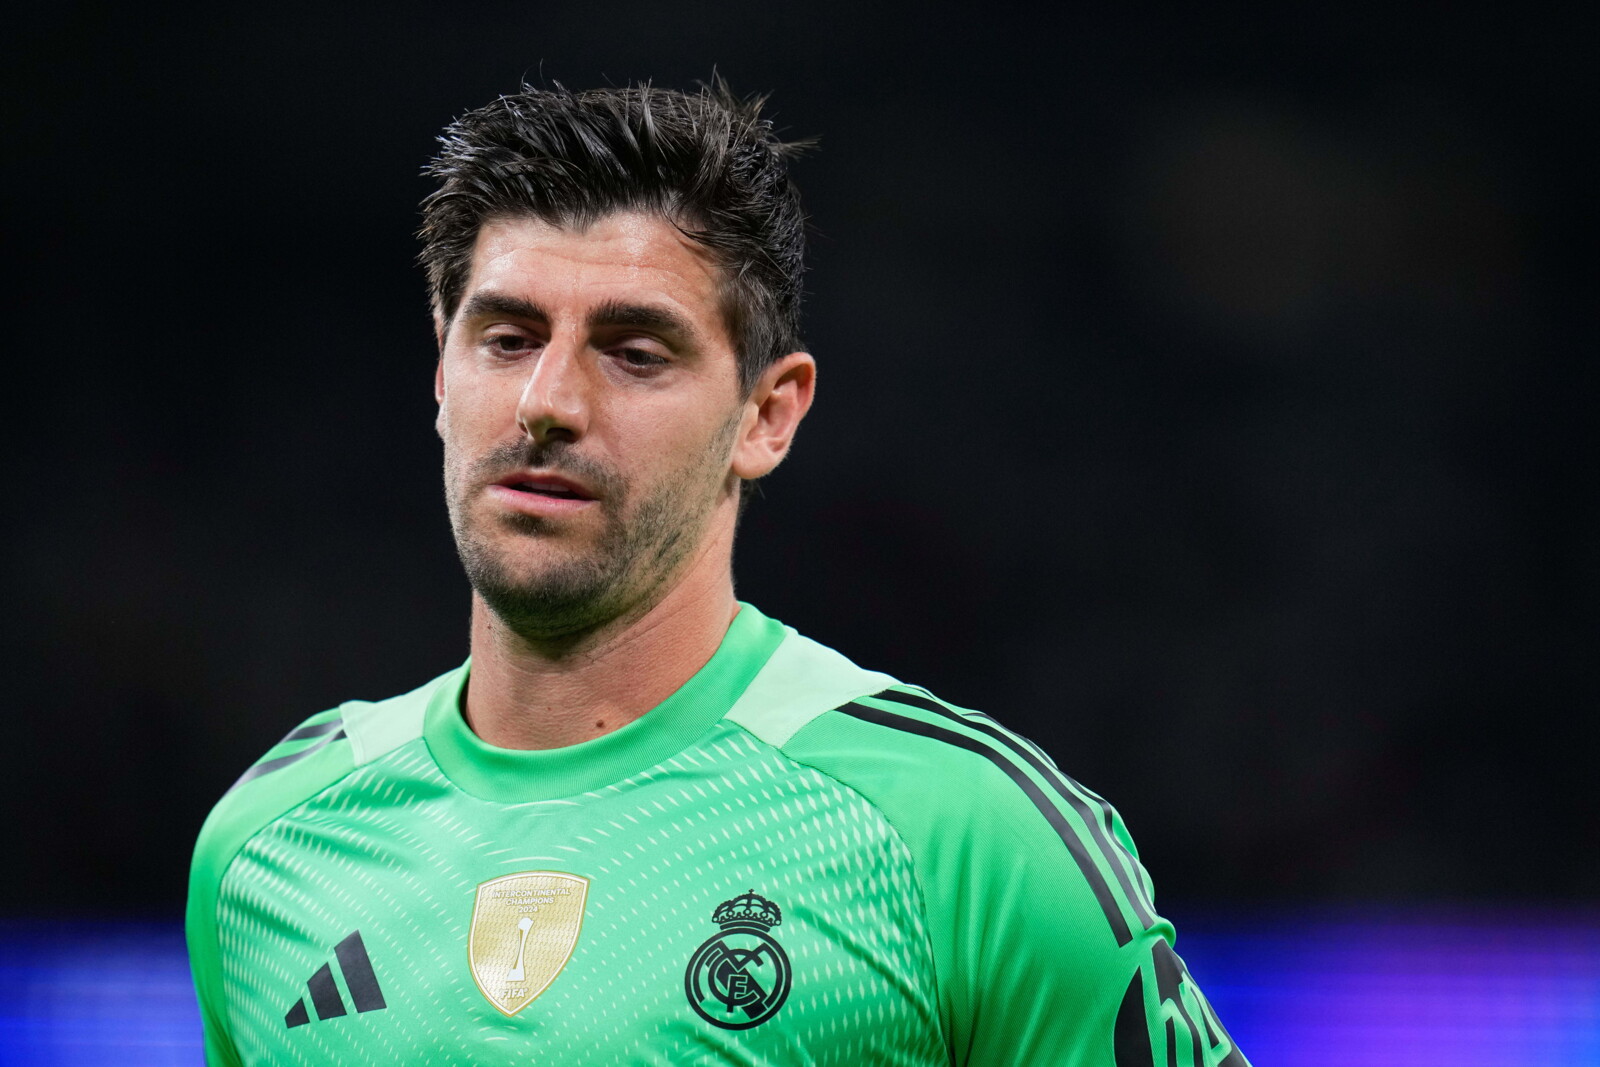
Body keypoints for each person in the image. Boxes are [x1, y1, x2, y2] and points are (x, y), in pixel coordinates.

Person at [185, 81, 1249, 1067]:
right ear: (439, 367)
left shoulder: (964, 835)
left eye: (634, 352)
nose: (546, 401)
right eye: (506, 338)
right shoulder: (268, 847)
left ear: (766, 414)